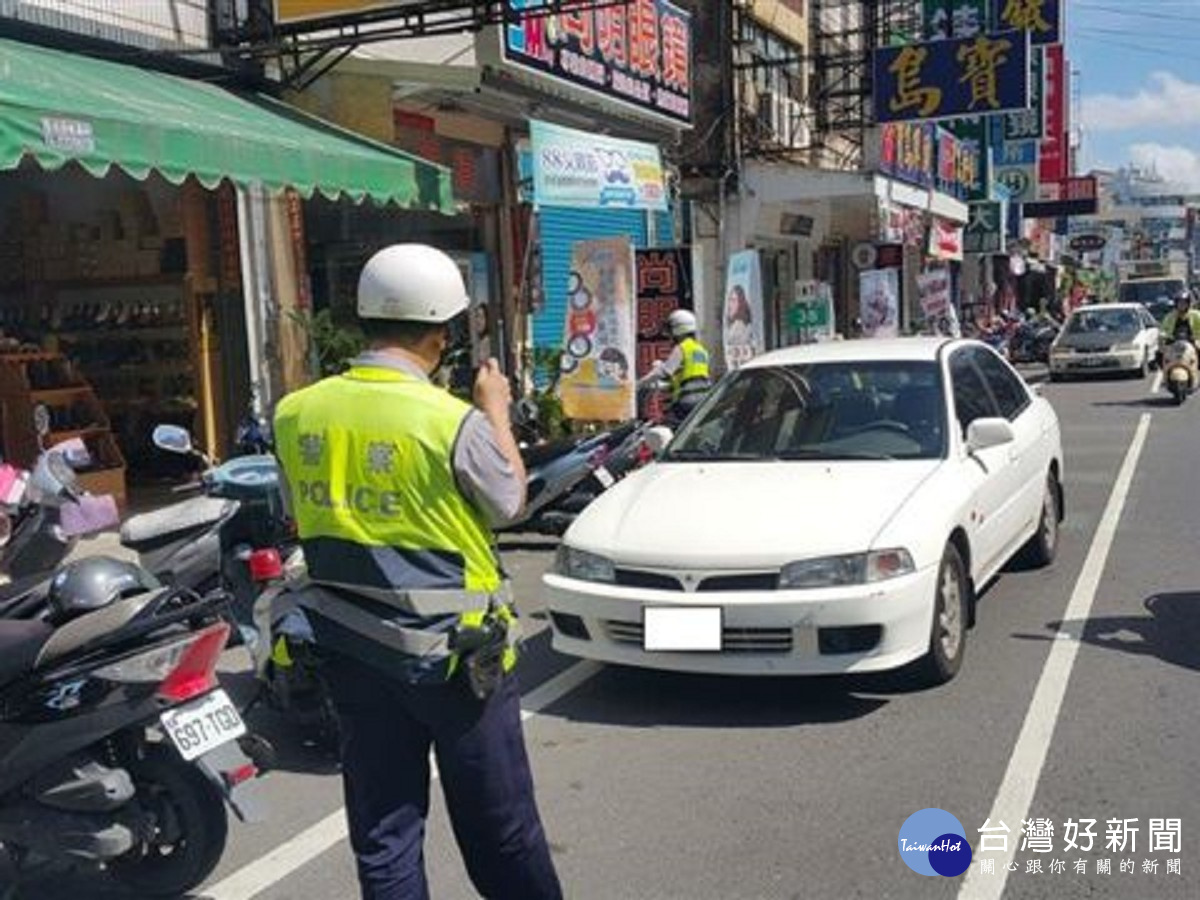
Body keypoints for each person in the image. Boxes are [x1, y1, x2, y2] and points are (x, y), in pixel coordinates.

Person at [273, 244, 563, 900]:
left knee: (385, 833)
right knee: (502, 831)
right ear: (440, 331)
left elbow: (299, 510)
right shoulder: (448, 419)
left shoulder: (296, 412)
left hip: (351, 651)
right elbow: (510, 502)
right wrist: (495, 407)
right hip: (458, 664)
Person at [639, 309, 712, 425]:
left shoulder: (682, 348)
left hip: (686, 402)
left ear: (678, 329)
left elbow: (664, 372)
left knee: (666, 427)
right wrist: (668, 384)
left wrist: (640, 383)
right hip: (703, 402)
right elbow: (692, 376)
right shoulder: (702, 351)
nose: (670, 334)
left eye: (671, 329)